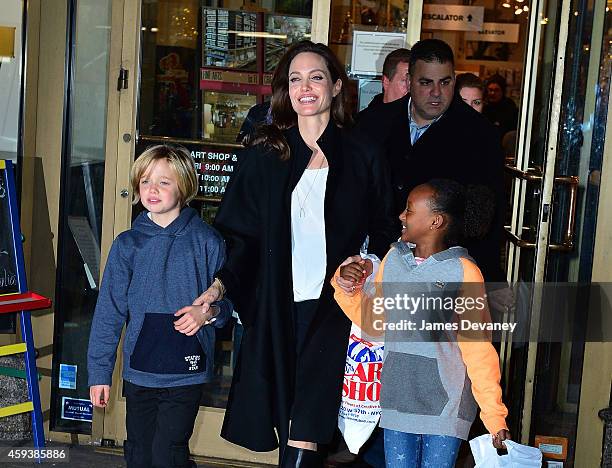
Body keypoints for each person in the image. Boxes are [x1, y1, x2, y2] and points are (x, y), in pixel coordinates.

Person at [192, 40, 397, 467]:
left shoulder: (364, 153)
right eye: (295, 79)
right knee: (289, 418)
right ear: (286, 89)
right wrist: (220, 284)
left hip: (334, 308)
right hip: (275, 306)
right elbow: (239, 233)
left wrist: (364, 263)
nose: (306, 87)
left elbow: (383, 228)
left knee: (306, 422)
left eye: (316, 77)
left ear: (337, 86)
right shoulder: (266, 152)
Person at [333, 179, 511, 467]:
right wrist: (347, 287)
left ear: (435, 221)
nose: (401, 216)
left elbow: (478, 350)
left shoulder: (464, 273)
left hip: (446, 407)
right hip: (396, 398)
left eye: (409, 211)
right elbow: (375, 323)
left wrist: (493, 414)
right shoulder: (393, 260)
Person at [87, 145, 232, 468]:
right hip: (141, 371)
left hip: (186, 373)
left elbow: (229, 308)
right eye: (145, 181)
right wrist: (100, 373)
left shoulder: (207, 242)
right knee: (139, 454)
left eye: (164, 182)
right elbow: (109, 313)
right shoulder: (127, 245)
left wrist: (209, 313)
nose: (152, 189)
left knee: (168, 453)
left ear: (184, 185)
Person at [360, 38, 506, 283]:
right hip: (375, 267)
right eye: (426, 82)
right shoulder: (372, 123)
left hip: (442, 279)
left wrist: (490, 281)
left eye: (445, 82)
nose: (436, 93)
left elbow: (488, 218)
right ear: (409, 81)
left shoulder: (481, 135)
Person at [483, 73, 519, 140]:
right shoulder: (483, 106)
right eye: (490, 90)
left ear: (503, 91)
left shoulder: (510, 108)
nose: (492, 93)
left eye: (496, 90)